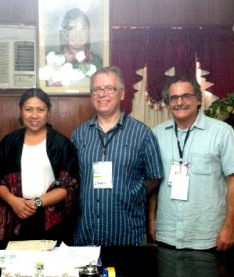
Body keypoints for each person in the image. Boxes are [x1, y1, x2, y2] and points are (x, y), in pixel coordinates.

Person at [71, 66, 164, 246]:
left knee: (128, 275)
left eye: (109, 88)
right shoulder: (79, 134)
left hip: (127, 234)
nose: (102, 94)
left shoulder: (142, 134)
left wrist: (133, 193)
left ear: (122, 94)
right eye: (97, 89)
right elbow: (74, 178)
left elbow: (155, 176)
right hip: (86, 234)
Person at [148, 75, 234, 251]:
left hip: (209, 236)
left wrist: (230, 227)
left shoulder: (222, 133)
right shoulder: (156, 135)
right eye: (174, 98)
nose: (180, 102)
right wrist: (152, 219)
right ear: (168, 103)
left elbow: (232, 181)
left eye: (186, 96)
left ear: (198, 99)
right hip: (167, 233)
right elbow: (153, 182)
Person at [0, 88, 79, 248]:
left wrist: (36, 203)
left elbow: (69, 187)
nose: (34, 115)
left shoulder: (61, 144)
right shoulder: (9, 142)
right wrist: (13, 201)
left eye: (40, 109)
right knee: (17, 268)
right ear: (21, 111)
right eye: (28, 109)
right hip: (15, 213)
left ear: (48, 111)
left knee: (50, 268)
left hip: (51, 218)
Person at [41, 8, 103, 87]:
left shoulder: (98, 61)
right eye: (71, 29)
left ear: (89, 32)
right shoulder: (51, 60)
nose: (78, 34)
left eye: (82, 28)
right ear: (64, 33)